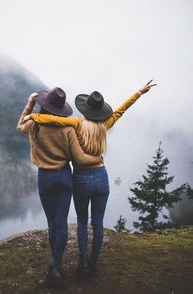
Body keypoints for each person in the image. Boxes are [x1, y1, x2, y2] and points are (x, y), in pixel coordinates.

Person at [24, 80, 157, 278]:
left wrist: (32, 115)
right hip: (101, 176)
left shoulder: (77, 123)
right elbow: (121, 111)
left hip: (80, 178)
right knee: (98, 222)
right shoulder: (105, 125)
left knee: (82, 221)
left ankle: (83, 261)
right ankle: (92, 264)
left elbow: (57, 121)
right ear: (101, 112)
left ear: (85, 109)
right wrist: (138, 92)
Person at [17, 87, 101, 287]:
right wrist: (97, 158)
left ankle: (55, 269)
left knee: (52, 223)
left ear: (43, 105)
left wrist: (29, 104)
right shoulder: (67, 129)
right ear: (61, 110)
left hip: (45, 178)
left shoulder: (34, 123)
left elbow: (19, 125)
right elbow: (78, 158)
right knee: (61, 223)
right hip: (64, 177)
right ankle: (55, 265)